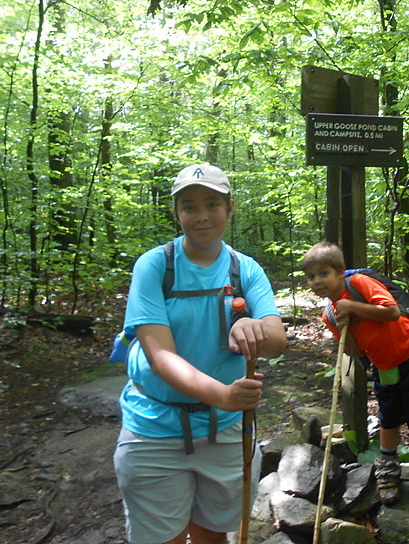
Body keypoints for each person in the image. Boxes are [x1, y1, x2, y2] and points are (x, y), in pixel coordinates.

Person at [113, 163, 287, 544]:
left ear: (230, 207)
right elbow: (160, 356)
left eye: (212, 204)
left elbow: (277, 340)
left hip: (225, 430)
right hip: (153, 429)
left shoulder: (245, 269)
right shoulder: (155, 265)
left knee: (212, 534)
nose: (201, 215)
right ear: (176, 212)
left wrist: (252, 328)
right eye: (189, 206)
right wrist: (224, 396)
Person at [301, 241, 409, 511]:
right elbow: (354, 350)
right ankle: (388, 470)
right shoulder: (330, 313)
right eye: (311, 276)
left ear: (340, 272)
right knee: (388, 417)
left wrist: (353, 309)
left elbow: (391, 312)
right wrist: (345, 329)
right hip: (383, 364)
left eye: (323, 273)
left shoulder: (359, 284)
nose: (317, 281)